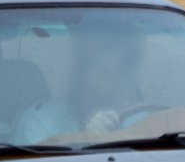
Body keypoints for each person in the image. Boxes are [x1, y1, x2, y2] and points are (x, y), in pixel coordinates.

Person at [13, 24, 145, 143]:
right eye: (105, 72)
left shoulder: (135, 118)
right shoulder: (41, 122)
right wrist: (84, 139)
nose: (115, 82)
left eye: (122, 72)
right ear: (81, 73)